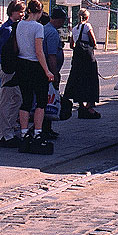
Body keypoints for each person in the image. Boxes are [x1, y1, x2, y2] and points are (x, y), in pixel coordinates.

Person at [15, 0, 55, 154]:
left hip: (21, 64)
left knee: (25, 101)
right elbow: (39, 51)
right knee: (40, 102)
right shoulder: (38, 27)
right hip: (35, 65)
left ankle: (24, 132)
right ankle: (37, 132)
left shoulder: (19, 25)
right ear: (39, 12)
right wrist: (47, 71)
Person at [0, 1, 25, 148]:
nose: (22, 14)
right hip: (8, 67)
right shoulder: (7, 28)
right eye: (20, 11)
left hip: (13, 67)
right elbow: (5, 50)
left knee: (17, 99)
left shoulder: (15, 26)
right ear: (12, 12)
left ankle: (9, 129)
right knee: (6, 100)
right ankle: (5, 134)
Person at [64, 8, 100, 119]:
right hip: (87, 57)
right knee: (91, 79)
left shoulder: (74, 29)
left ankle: (80, 105)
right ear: (87, 17)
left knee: (78, 79)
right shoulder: (87, 26)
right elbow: (93, 41)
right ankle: (89, 106)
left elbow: (71, 45)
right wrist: (94, 46)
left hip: (77, 58)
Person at [41, 8, 67, 139]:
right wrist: (55, 73)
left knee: (46, 100)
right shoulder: (51, 32)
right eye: (62, 21)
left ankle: (46, 128)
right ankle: (45, 128)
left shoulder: (45, 28)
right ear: (58, 20)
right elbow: (51, 55)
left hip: (45, 70)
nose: (63, 24)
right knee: (48, 100)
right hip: (49, 71)